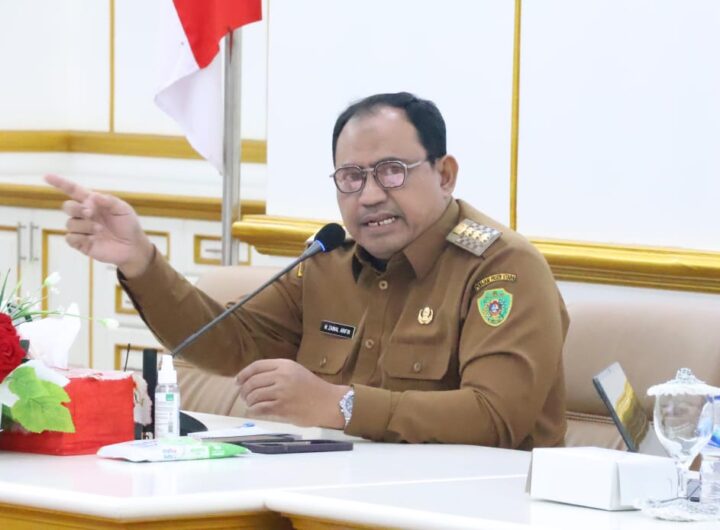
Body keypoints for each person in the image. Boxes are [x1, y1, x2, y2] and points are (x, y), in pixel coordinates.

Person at [46, 92, 569, 447]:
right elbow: (226, 342)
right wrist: (141, 261)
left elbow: (495, 417)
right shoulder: (327, 261)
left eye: (391, 172)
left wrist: (341, 405)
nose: (369, 195)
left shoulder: (501, 269)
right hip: (334, 496)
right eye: (351, 176)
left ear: (445, 174)